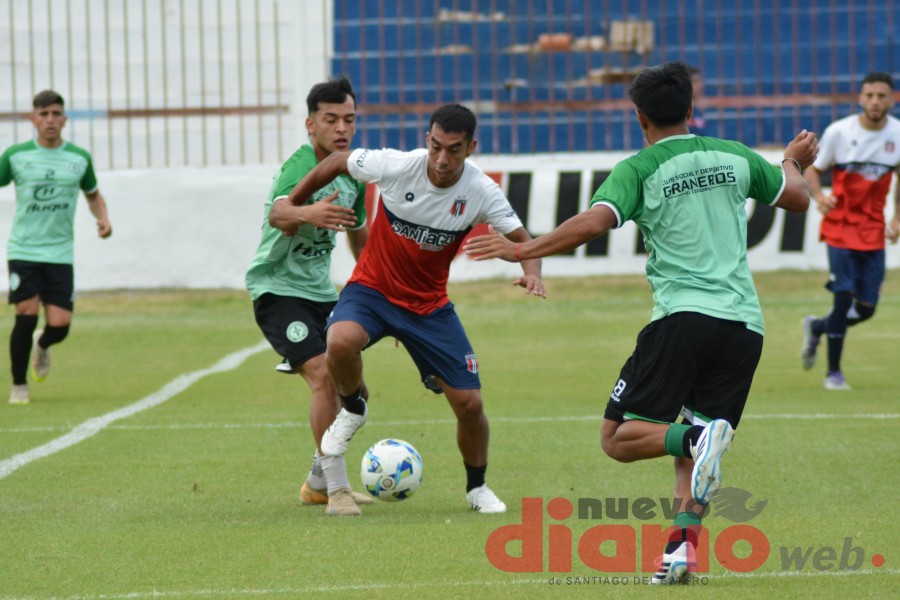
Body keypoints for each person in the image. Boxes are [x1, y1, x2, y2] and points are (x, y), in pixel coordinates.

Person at [464, 62, 818, 583]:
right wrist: (791, 160)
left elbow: (593, 222)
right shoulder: (734, 155)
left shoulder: (638, 169)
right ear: (691, 109)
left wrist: (523, 249)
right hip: (744, 327)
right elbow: (799, 197)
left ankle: (697, 441)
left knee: (621, 437)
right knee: (693, 444)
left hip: (683, 320)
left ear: (639, 116)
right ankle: (681, 553)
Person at [284, 103, 546, 514]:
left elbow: (525, 241)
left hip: (428, 307)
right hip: (372, 291)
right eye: (436, 146)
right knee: (339, 341)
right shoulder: (397, 165)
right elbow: (335, 161)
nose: (442, 159)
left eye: (454, 150)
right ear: (427, 140)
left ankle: (477, 488)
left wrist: (531, 273)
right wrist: (294, 203)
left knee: (470, 404)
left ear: (471, 148)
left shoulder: (481, 191)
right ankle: (353, 409)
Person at [245, 76, 376, 517]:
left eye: (349, 120)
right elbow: (278, 213)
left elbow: (359, 233)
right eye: (331, 119)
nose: (342, 128)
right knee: (323, 376)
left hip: (321, 294)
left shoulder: (353, 175)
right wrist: (309, 213)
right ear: (310, 124)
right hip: (278, 289)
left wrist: (375, 287)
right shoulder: (299, 166)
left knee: (354, 389)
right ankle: (337, 491)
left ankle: (318, 482)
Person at [1, 90, 113, 405]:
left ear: (64, 119)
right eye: (44, 114)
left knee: (60, 325)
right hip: (24, 250)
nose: (50, 120)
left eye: (55, 114)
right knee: (25, 314)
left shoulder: (78, 158)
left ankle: (44, 344)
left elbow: (93, 194)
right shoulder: (15, 156)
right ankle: (19, 386)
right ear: (33, 119)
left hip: (60, 252)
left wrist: (103, 218)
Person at [800, 72, 900, 390]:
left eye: (881, 96)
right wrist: (819, 196)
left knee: (867, 308)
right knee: (843, 297)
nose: (875, 101)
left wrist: (896, 217)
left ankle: (817, 327)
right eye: (869, 95)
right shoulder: (840, 132)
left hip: (873, 230)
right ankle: (834, 374)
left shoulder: (897, 134)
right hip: (840, 226)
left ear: (891, 99)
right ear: (860, 98)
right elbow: (813, 167)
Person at [686, 65, 707, 135]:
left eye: (700, 81)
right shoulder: (678, 113)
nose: (700, 86)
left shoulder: (697, 110)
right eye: (694, 82)